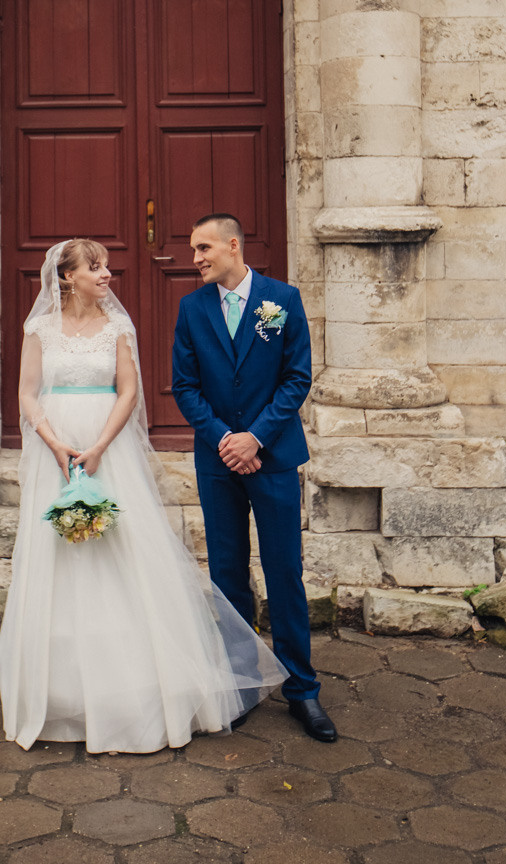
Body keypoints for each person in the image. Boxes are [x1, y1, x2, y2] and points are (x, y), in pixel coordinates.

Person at [0, 237, 285, 754]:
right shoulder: (38, 328)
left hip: (107, 447)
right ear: (67, 277)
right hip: (56, 448)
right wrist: (55, 442)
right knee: (58, 557)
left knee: (120, 553)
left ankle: (134, 687)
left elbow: (129, 390)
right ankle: (60, 694)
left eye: (107, 265)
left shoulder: (117, 327)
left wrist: (102, 445)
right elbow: (26, 391)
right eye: (96, 267)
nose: (108, 274)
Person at [171, 213, 337, 743]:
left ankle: (302, 690)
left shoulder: (280, 300)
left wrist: (256, 438)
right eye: (194, 250)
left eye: (203, 248)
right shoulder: (191, 308)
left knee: (284, 571)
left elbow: (296, 377)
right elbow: (184, 384)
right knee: (227, 573)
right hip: (218, 462)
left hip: (273, 458)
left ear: (232, 246)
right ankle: (241, 683)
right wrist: (226, 438)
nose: (194, 257)